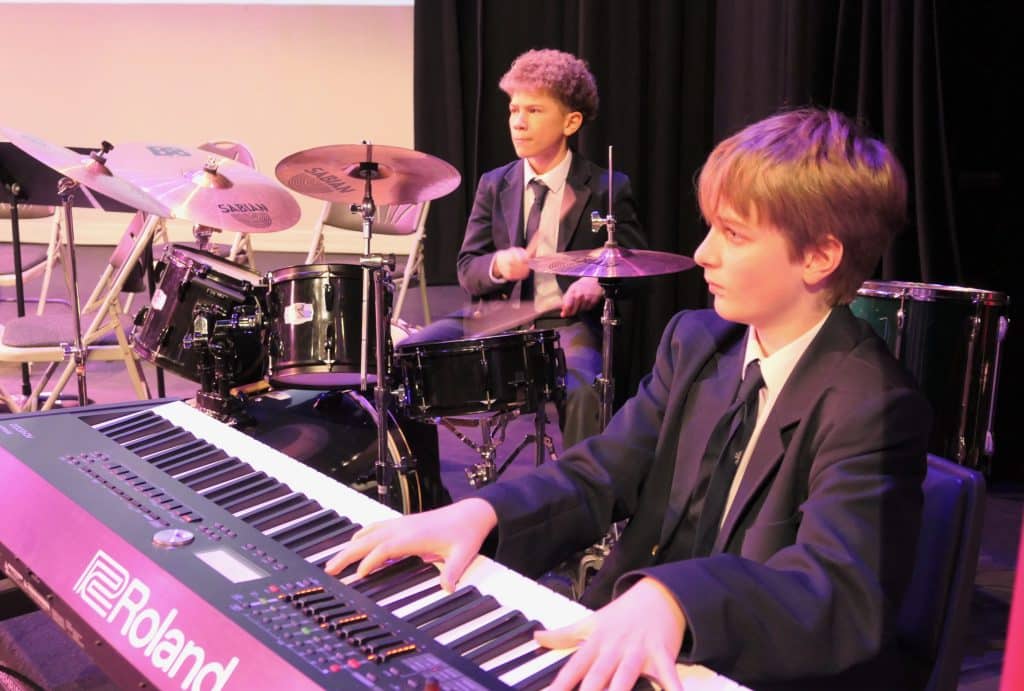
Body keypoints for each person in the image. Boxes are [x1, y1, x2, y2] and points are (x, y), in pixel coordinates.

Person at [328, 108, 930, 690]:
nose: (703, 253)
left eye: (733, 234)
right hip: (631, 632)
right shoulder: (697, 341)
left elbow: (834, 594)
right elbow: (601, 471)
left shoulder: (870, 402)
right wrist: (483, 512)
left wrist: (676, 599)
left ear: (820, 257)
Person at [402, 48, 646, 449]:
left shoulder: (607, 187)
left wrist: (598, 282)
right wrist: (498, 265)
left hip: (564, 325)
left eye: (534, 111)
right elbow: (468, 269)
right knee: (405, 359)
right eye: (514, 110)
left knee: (585, 389)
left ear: (571, 122)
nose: (518, 122)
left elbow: (633, 266)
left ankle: (578, 484)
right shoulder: (494, 184)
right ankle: (422, 480)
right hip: (496, 317)